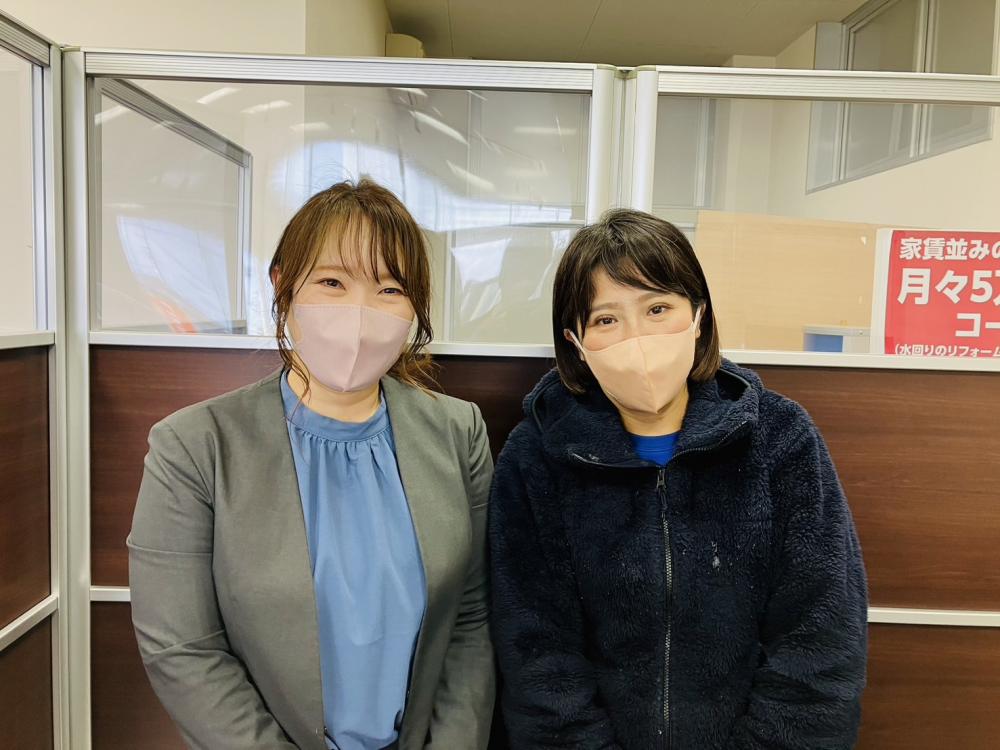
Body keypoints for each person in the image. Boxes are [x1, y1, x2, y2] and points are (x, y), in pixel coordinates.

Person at [129, 178, 495, 750]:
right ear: (283, 285)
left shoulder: (458, 432)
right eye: (332, 282)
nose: (360, 312)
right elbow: (184, 649)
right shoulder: (195, 446)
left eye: (390, 288)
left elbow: (471, 617)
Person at [489, 209, 868, 749]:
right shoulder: (537, 456)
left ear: (699, 316)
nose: (637, 338)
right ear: (575, 340)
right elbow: (537, 654)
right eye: (606, 320)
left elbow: (822, 638)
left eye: (657, 308)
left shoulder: (780, 440)